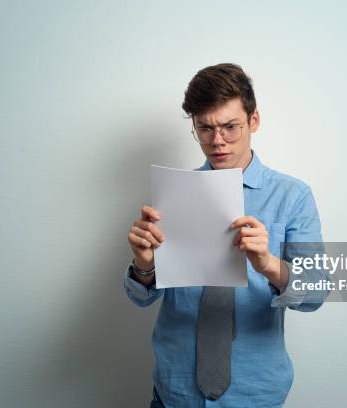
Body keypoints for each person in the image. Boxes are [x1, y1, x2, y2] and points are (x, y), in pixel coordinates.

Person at [124, 63, 328, 407]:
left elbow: (317, 293)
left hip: (254, 394)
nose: (217, 141)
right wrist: (144, 266)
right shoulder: (173, 193)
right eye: (204, 128)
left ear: (254, 121)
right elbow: (140, 298)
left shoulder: (293, 196)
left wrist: (267, 265)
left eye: (230, 127)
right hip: (174, 392)